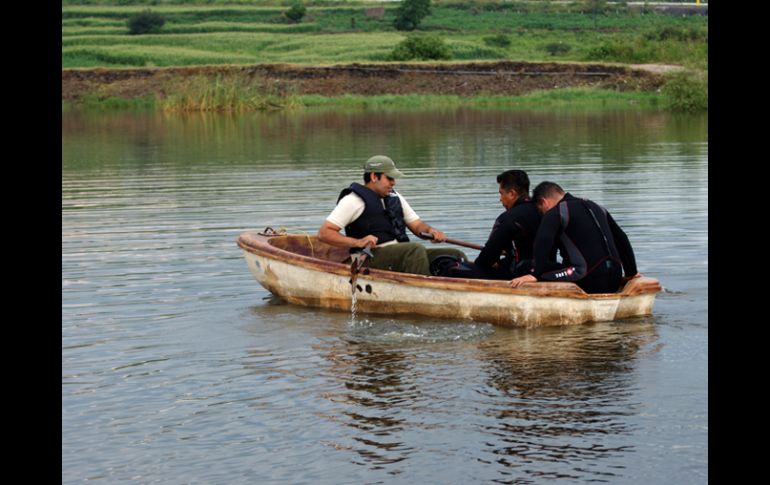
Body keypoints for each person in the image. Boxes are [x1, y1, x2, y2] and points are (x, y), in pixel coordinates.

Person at [318, 155, 467, 276]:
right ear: (374, 177)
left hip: (399, 254)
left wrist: (431, 231)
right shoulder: (352, 201)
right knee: (414, 250)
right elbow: (324, 233)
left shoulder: (395, 197)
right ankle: (425, 291)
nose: (394, 182)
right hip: (366, 257)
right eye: (389, 178)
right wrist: (358, 242)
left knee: (454, 254)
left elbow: (417, 225)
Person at [510, 181, 640, 294]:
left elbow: (543, 241)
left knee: (524, 266)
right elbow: (621, 238)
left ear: (544, 202)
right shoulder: (596, 207)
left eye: (540, 210)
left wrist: (534, 274)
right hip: (615, 278)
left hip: (588, 279)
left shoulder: (556, 212)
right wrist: (631, 273)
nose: (542, 214)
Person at [441, 169, 542, 280]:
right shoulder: (543, 212)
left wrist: (479, 264)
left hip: (516, 276)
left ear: (512, 194)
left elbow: (486, 259)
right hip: (541, 271)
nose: (500, 199)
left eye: (501, 193)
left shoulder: (507, 218)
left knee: (449, 266)